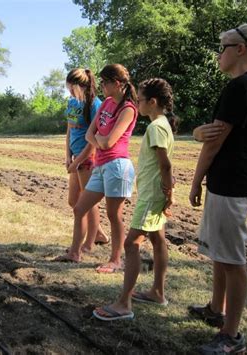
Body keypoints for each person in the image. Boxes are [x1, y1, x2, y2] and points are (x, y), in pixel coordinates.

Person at [188, 24, 247, 354]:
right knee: (222, 253)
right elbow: (211, 133)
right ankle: (215, 309)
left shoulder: (240, 87)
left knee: (233, 260)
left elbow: (212, 140)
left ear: (240, 50)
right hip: (235, 178)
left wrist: (195, 181)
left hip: (230, 182)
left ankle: (231, 336)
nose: (218, 53)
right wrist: (198, 132)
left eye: (223, 47)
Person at [93, 78, 177, 321]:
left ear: (152, 102)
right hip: (155, 195)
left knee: (130, 245)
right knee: (158, 239)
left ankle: (124, 303)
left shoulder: (156, 128)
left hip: (151, 197)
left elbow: (165, 164)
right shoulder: (162, 124)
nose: (136, 103)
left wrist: (168, 195)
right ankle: (157, 292)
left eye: (139, 100)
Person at [55, 64, 137, 272]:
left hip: (117, 166)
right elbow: (90, 135)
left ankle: (115, 260)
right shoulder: (108, 103)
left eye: (104, 82)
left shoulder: (128, 109)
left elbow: (108, 142)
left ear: (116, 84)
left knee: (113, 215)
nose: (101, 86)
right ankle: (74, 253)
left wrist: (99, 139)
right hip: (101, 165)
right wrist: (100, 139)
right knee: (80, 208)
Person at [62, 68, 109, 255]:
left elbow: (94, 141)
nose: (70, 93)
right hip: (75, 158)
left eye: (72, 89)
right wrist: (68, 156)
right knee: (73, 200)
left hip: (88, 159)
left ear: (82, 86)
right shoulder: (73, 103)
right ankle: (99, 234)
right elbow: (70, 130)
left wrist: (78, 160)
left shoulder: (96, 105)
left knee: (88, 203)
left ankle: (89, 243)